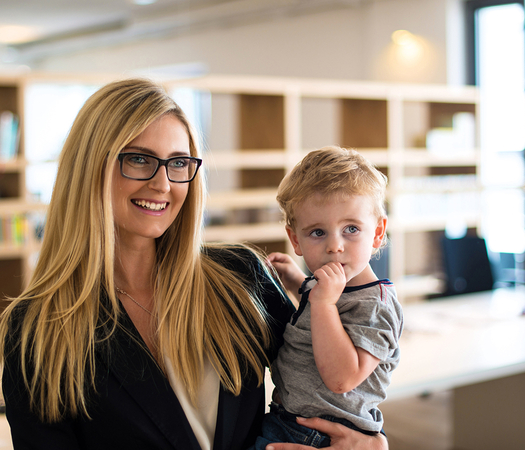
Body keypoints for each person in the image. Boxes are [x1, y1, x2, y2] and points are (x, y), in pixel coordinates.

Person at [0, 79, 388, 450]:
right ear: (89, 167)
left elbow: (325, 372)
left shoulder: (239, 275)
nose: (164, 184)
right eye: (139, 159)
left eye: (179, 163)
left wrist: (372, 442)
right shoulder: (38, 327)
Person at [253, 146, 403, 449]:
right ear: (295, 239)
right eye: (317, 232)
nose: (335, 246)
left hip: (321, 435)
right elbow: (318, 318)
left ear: (377, 233)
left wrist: (322, 302)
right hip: (289, 418)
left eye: (351, 229)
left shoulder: (375, 306)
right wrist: (298, 282)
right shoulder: (328, 286)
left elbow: (342, 378)